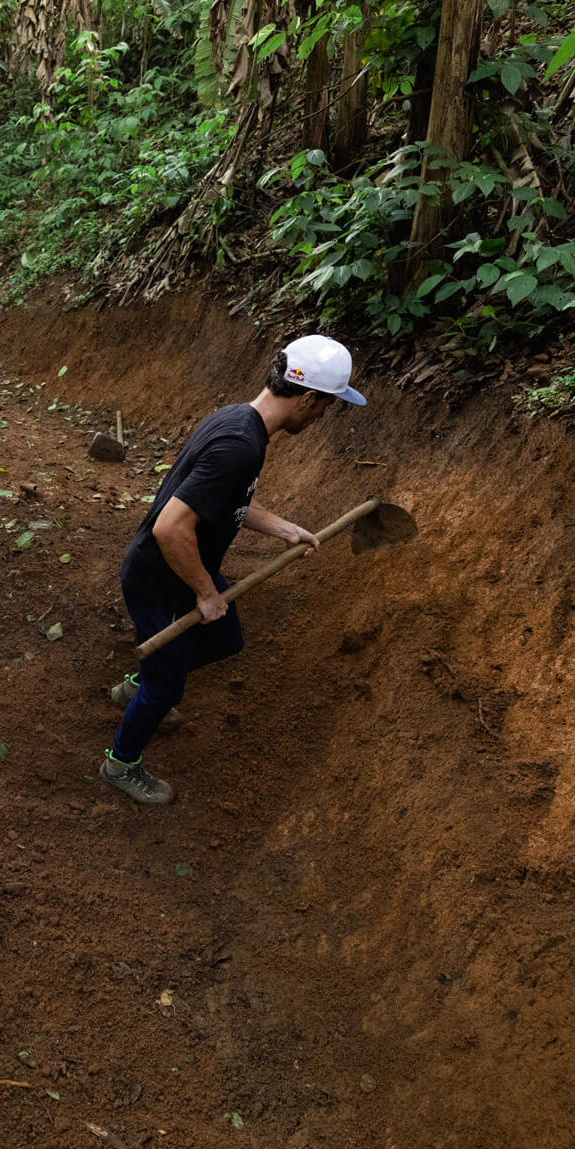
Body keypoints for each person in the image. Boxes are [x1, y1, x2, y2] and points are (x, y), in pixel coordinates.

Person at [102, 334, 367, 803]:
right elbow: (171, 528)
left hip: (182, 567)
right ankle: (121, 762)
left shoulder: (237, 419)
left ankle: (138, 687)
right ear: (308, 398)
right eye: (327, 406)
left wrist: (284, 528)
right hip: (162, 577)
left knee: (226, 639)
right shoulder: (241, 445)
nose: (324, 416)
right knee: (168, 684)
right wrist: (205, 591)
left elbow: (226, 498)